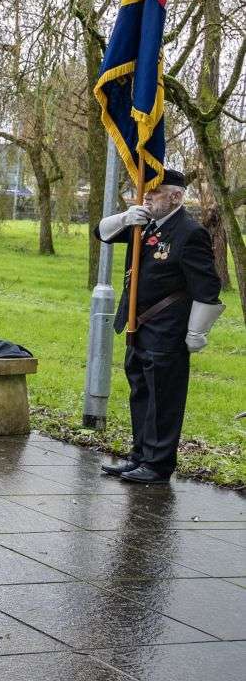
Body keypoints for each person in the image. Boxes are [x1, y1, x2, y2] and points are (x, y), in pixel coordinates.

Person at [94, 169, 223, 484]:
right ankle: (140, 455)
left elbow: (207, 287)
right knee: (140, 392)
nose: (146, 197)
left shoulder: (189, 233)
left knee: (163, 398)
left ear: (176, 197)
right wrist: (125, 217)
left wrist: (197, 332)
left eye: (154, 192)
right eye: (145, 192)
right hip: (137, 325)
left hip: (167, 328)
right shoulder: (142, 223)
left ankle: (158, 464)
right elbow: (102, 233)